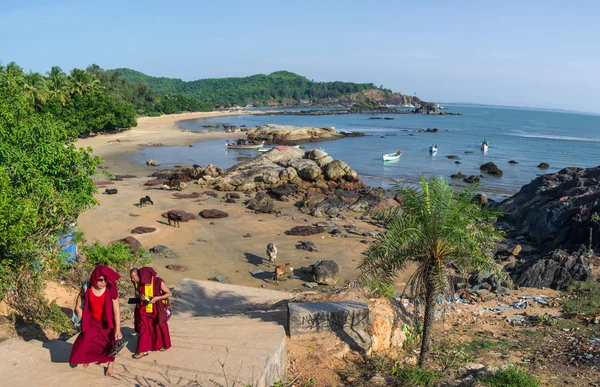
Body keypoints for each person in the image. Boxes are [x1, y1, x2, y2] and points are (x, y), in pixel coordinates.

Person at [69, 265, 122, 376]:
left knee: (110, 343)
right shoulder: (87, 287)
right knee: (86, 339)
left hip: (107, 322)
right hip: (92, 320)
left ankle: (110, 364)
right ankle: (91, 359)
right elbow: (80, 296)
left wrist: (118, 329)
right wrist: (77, 307)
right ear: (95, 278)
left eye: (106, 280)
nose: (103, 282)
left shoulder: (111, 289)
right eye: (100, 280)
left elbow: (117, 311)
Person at [130, 267, 172, 359]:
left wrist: (157, 298)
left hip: (157, 309)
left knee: (158, 328)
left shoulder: (158, 282)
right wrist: (140, 295)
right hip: (144, 309)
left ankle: (161, 344)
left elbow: (169, 293)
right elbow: (137, 292)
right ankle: (143, 350)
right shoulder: (141, 282)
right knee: (144, 329)